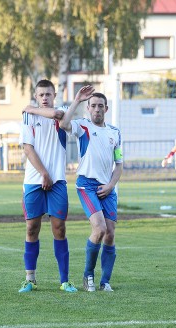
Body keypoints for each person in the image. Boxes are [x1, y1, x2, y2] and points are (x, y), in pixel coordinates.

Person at [59, 86, 122, 293]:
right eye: (93, 106)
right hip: (87, 184)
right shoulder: (82, 126)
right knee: (100, 228)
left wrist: (111, 185)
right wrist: (76, 100)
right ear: (88, 108)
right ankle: (88, 276)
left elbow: (119, 164)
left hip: (107, 187)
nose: (97, 109)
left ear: (106, 108)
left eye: (100, 106)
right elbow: (63, 123)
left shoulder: (115, 132)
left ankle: (105, 281)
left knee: (110, 233)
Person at [18, 79, 77, 293]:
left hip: (58, 181)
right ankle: (30, 279)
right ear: (36, 96)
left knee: (59, 228)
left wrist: (30, 107)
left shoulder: (60, 112)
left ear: (54, 96)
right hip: (34, 181)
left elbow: (57, 116)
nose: (45, 98)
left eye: (48, 94)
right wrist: (43, 173)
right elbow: (27, 148)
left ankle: (65, 281)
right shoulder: (28, 116)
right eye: (41, 95)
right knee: (32, 228)